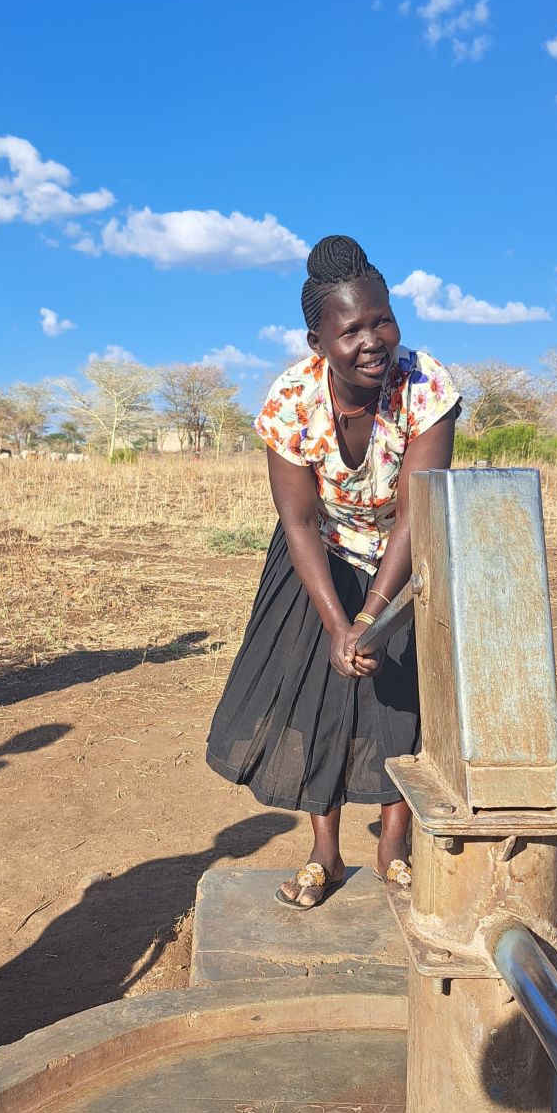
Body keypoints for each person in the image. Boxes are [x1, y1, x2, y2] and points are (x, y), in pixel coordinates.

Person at [207, 235, 459, 907]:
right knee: (319, 704)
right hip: (319, 555)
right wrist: (337, 626)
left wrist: (373, 617)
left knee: (406, 704)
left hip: (411, 553)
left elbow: (417, 510)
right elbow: (297, 522)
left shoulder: (425, 385)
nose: (374, 340)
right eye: (351, 330)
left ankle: (393, 847)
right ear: (318, 341)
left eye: (383, 319)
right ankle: (325, 852)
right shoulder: (291, 400)